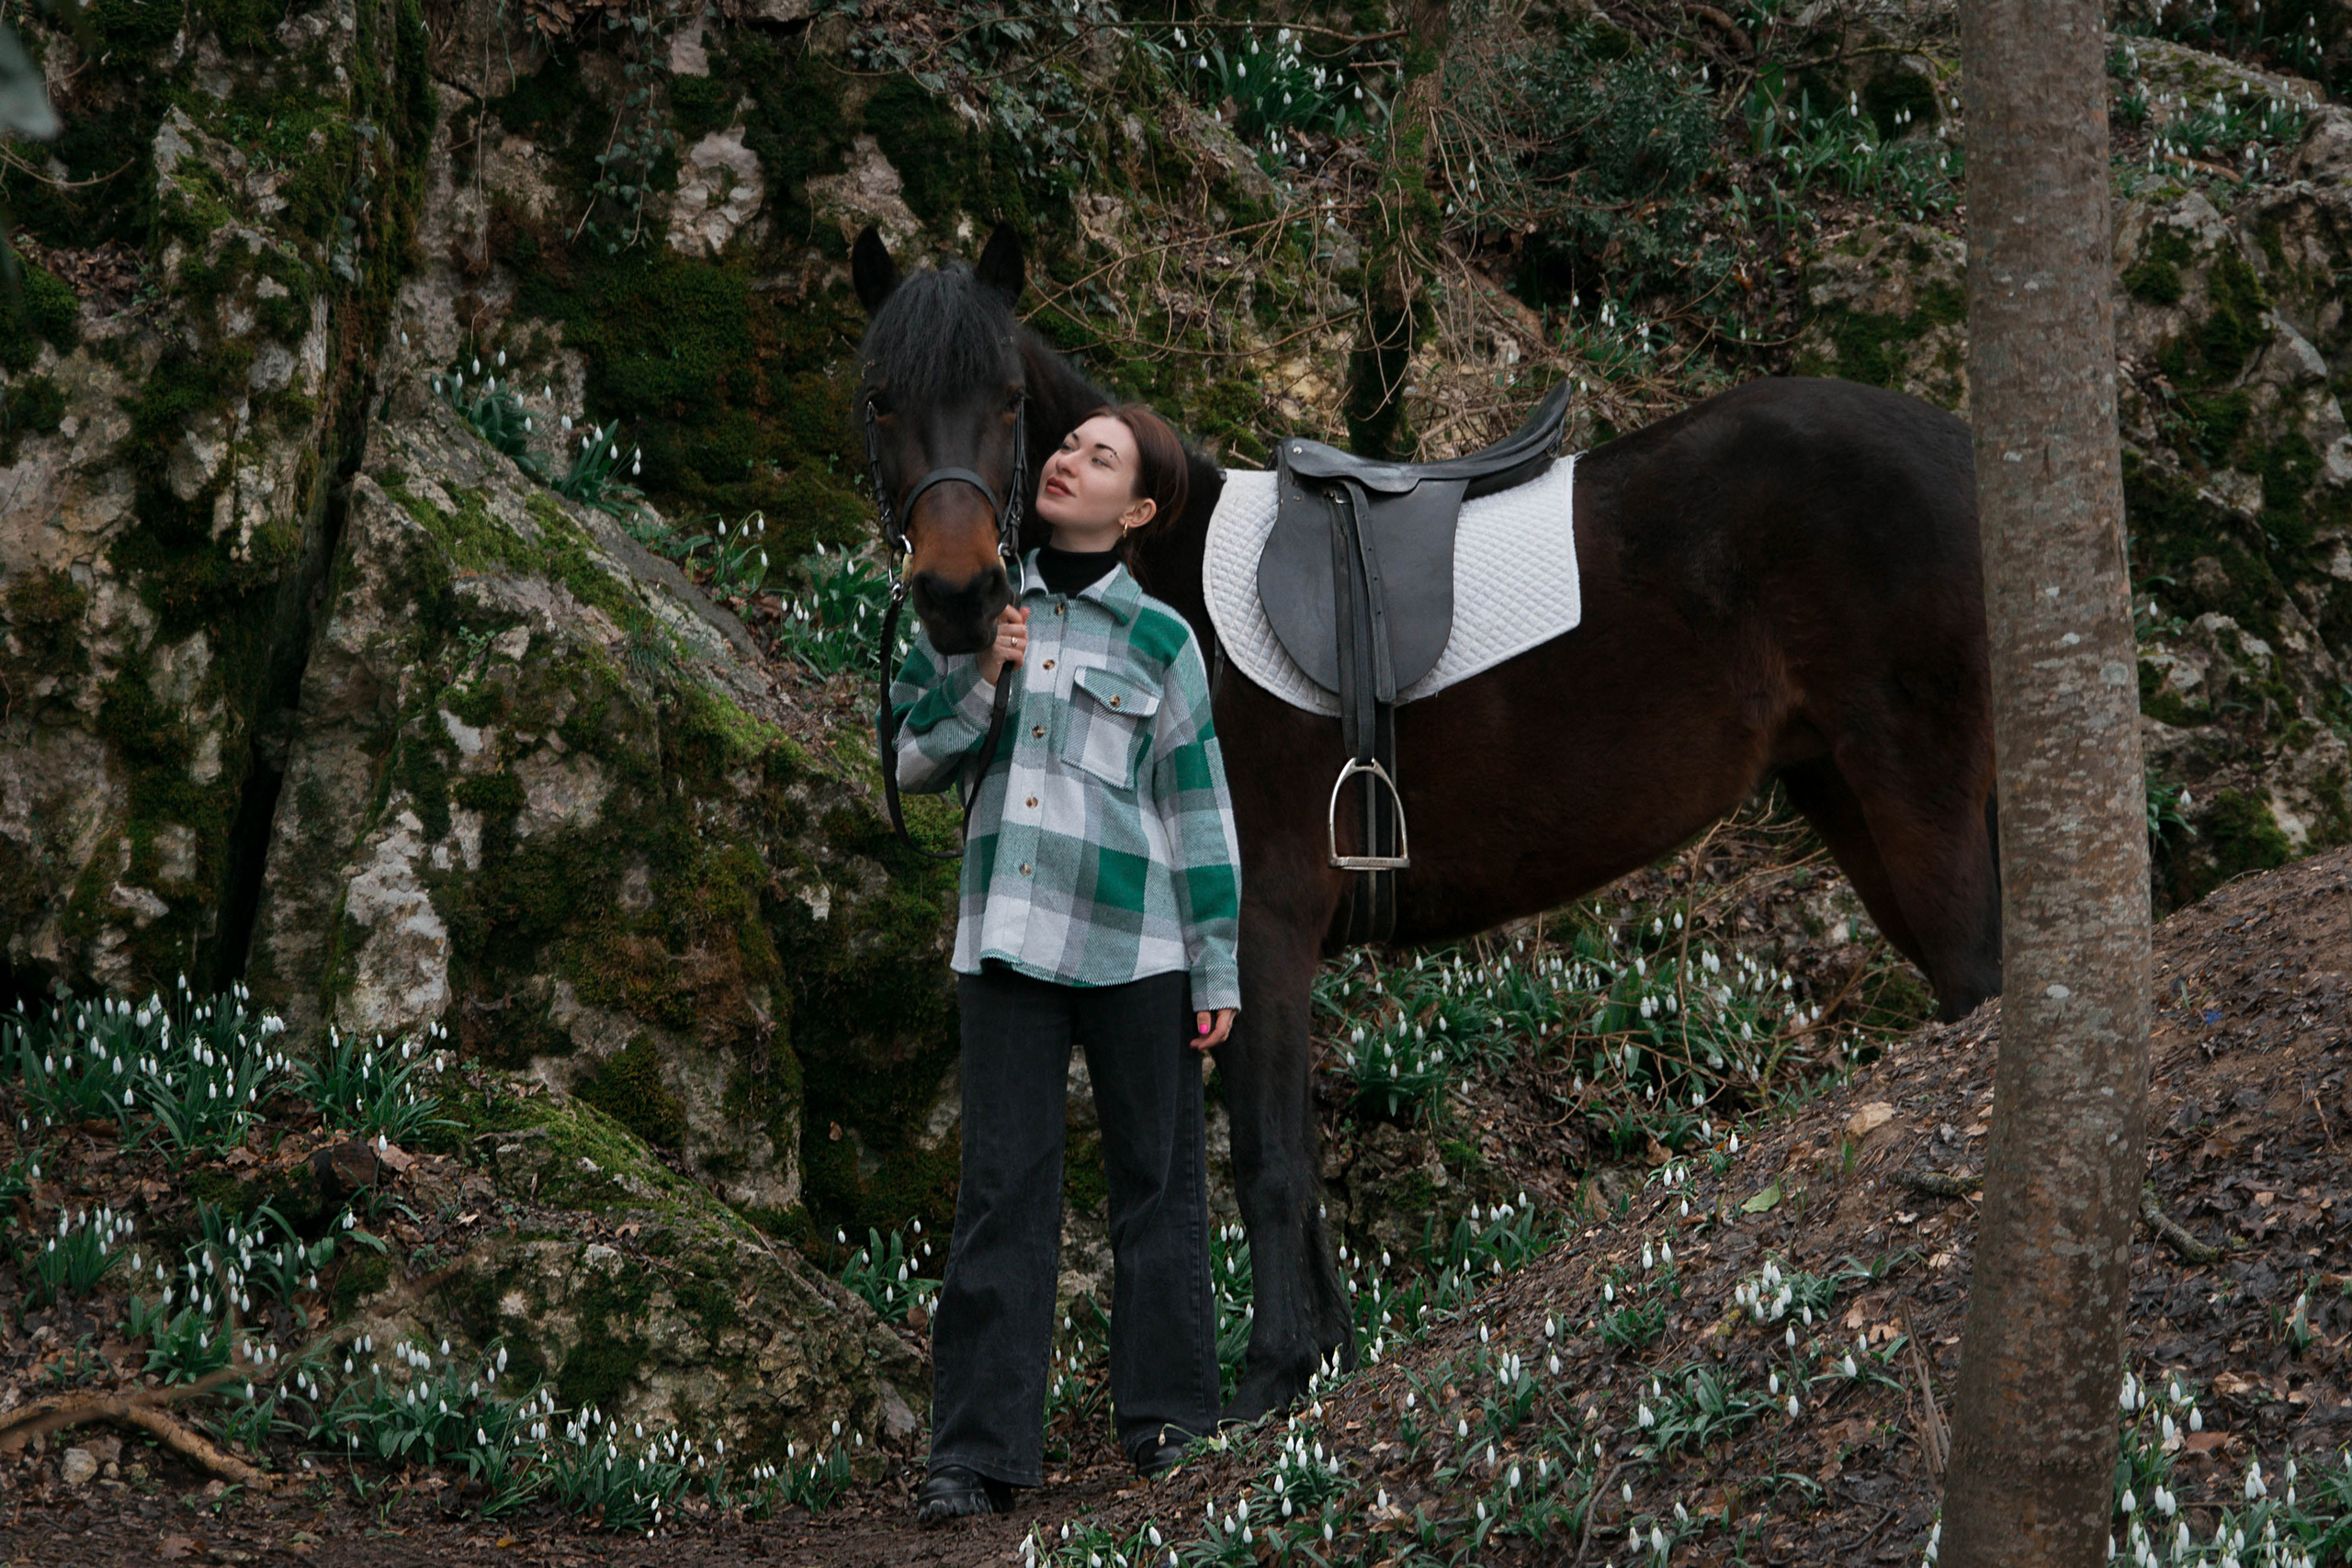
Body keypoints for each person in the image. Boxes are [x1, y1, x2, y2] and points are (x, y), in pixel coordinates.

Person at [890, 403, 1241, 1525]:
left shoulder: (1166, 643)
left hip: (1141, 953)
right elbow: (911, 763)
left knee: (1159, 1191)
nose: (1065, 461)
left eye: (1100, 458)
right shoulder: (972, 603)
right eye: (1065, 445)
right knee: (1000, 1193)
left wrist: (1217, 970)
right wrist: (980, 676)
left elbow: (1198, 814)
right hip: (1007, 942)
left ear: (1134, 509)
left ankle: (1170, 1426)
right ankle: (975, 1456)